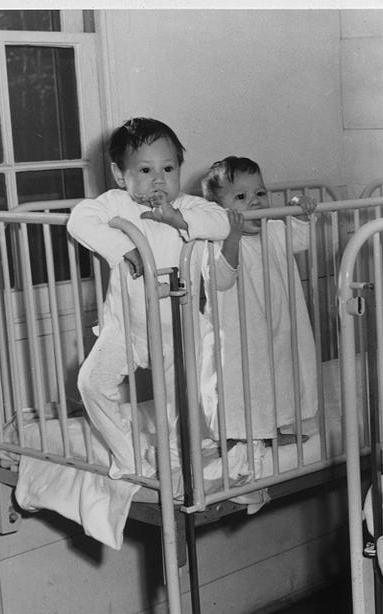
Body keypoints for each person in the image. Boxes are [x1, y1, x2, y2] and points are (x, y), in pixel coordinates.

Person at [67, 117, 230, 478]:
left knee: (178, 402)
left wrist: (179, 218)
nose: (159, 179)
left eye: (168, 168)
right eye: (145, 169)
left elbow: (222, 222)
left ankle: (173, 461)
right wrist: (124, 247)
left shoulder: (188, 205)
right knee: (91, 384)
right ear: (119, 173)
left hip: (177, 327)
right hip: (125, 326)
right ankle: (128, 456)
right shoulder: (114, 203)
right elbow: (78, 220)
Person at [200, 156, 319, 448]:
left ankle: (272, 431)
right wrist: (232, 238)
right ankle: (231, 435)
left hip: (277, 326)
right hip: (239, 335)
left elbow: (302, 239)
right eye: (241, 197)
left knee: (276, 377)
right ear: (219, 210)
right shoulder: (215, 242)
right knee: (238, 384)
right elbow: (221, 278)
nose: (255, 202)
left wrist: (301, 212)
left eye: (260, 193)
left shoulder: (275, 229)